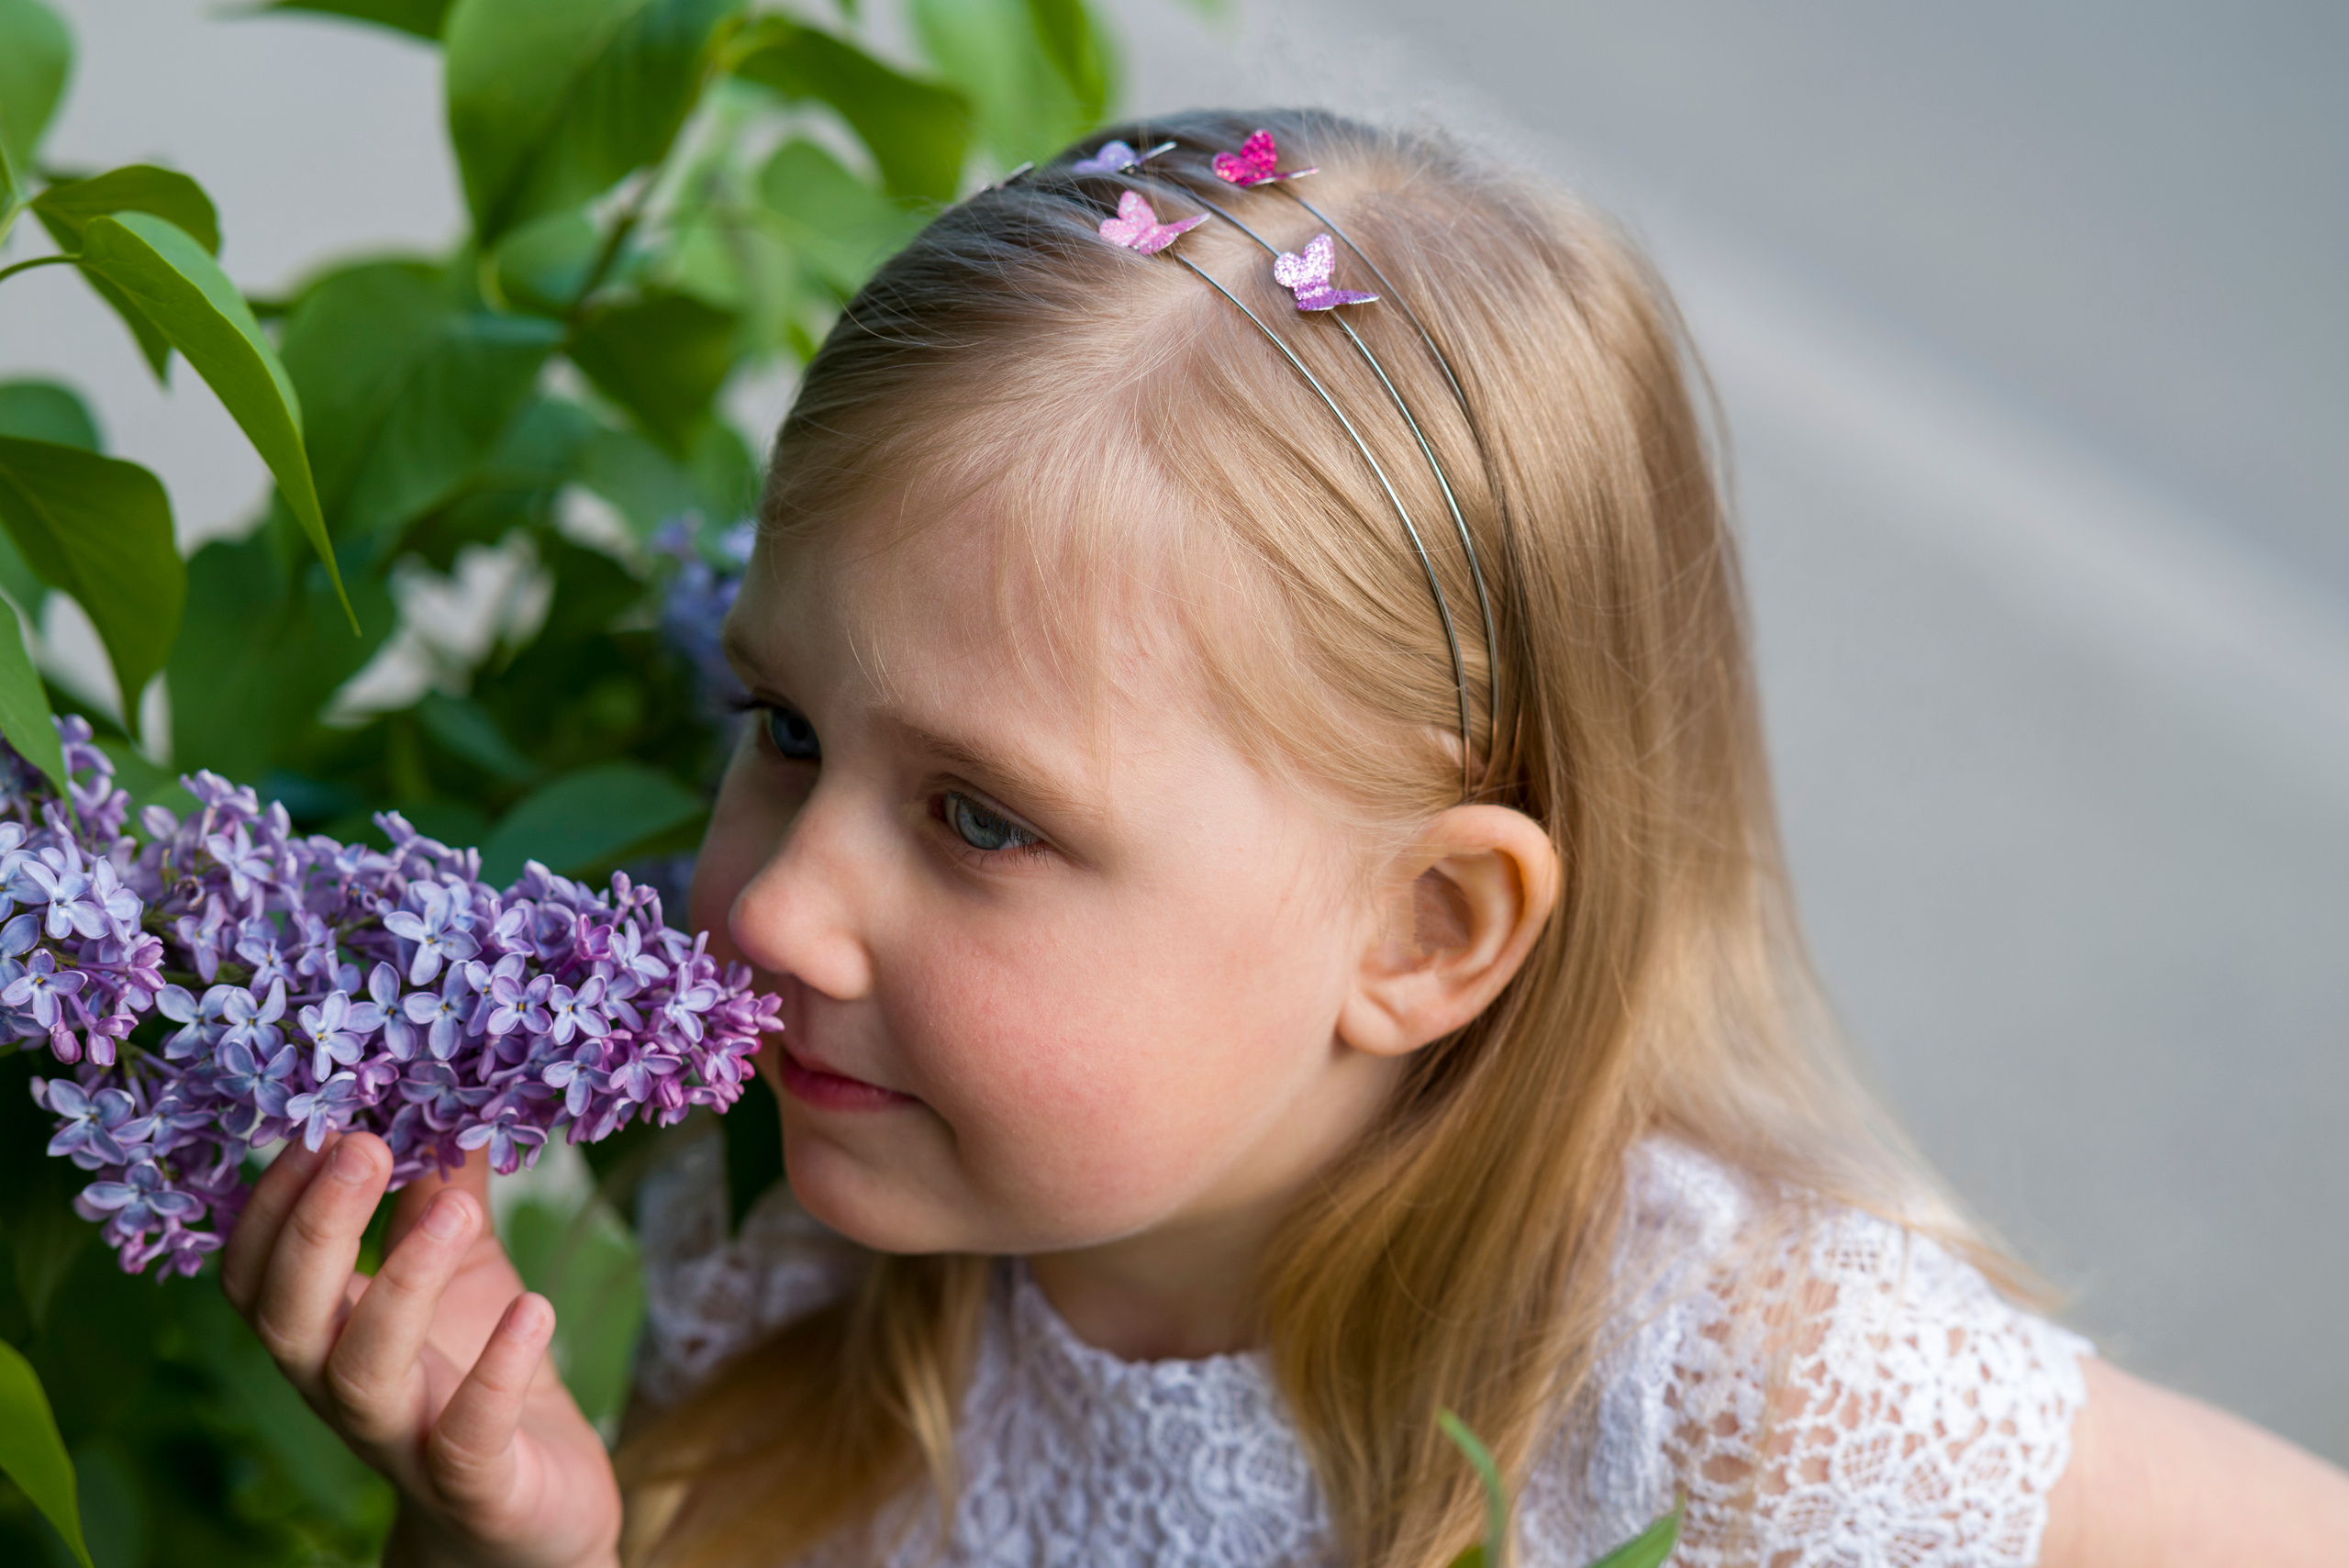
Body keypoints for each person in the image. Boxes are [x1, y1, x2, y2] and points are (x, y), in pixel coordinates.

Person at [217, 108, 2349, 1568]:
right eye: (780, 724)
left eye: (978, 816)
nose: (772, 900)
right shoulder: (782, 1261)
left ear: (1424, 928)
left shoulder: (1735, 1392)